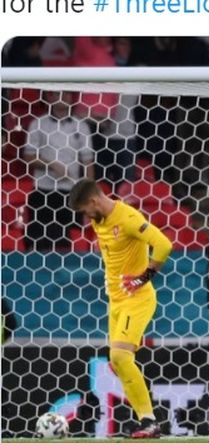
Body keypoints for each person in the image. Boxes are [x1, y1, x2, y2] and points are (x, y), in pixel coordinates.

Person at [69, 179, 173, 439]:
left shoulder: (127, 217)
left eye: (84, 210)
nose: (85, 217)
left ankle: (149, 421)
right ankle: (146, 422)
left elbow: (163, 244)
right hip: (115, 301)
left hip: (137, 299)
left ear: (94, 201)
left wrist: (144, 277)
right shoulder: (100, 220)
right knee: (119, 363)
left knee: (120, 358)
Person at [23, 90, 95, 251]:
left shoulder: (81, 126)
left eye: (66, 94)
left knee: (66, 244)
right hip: (43, 191)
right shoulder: (37, 123)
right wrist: (52, 165)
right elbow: (28, 157)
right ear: (50, 98)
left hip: (71, 193)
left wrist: (89, 196)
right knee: (39, 243)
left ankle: (64, 275)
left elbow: (88, 163)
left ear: (71, 98)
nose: (62, 98)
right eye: (56, 94)